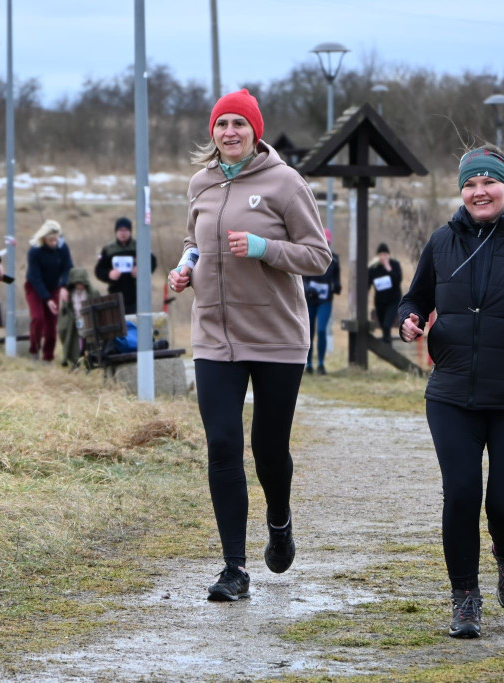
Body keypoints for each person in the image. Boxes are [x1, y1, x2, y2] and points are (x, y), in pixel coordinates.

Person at [398, 145, 504, 639]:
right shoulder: (441, 242)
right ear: (462, 192)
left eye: (488, 183)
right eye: (469, 185)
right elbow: (415, 297)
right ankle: (465, 599)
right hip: (451, 395)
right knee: (462, 495)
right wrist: (408, 319)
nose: (479, 192)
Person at [167, 89, 331, 602]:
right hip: (214, 334)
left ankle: (279, 521)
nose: (230, 132)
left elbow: (318, 256)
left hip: (276, 335)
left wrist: (265, 249)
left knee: (267, 448)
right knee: (222, 445)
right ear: (212, 133)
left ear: (254, 131)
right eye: (222, 124)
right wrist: (185, 266)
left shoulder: (285, 183)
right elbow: (195, 241)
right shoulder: (201, 184)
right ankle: (234, 568)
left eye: (240, 124)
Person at [25, 220, 73, 363]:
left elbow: (67, 268)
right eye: (51, 240)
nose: (54, 242)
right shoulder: (35, 251)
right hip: (35, 288)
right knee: (38, 318)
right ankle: (34, 349)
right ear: (44, 238)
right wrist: (47, 299)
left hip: (54, 288)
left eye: (56, 239)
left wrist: (64, 286)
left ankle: (48, 357)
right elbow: (35, 276)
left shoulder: (63, 248)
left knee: (52, 326)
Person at [94, 217, 158, 315]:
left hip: (136, 294)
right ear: (116, 232)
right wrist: (109, 274)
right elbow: (99, 270)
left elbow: (152, 262)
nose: (123, 233)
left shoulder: (140, 246)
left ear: (130, 231)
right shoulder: (108, 249)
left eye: (125, 230)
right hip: (115, 293)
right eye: (120, 230)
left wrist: (141, 271)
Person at [302, 229, 341, 374]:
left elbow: (336, 279)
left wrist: (337, 287)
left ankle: (321, 363)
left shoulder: (334, 259)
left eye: (328, 242)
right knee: (309, 332)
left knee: (322, 330)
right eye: (323, 241)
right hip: (310, 300)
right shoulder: (309, 255)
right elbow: (301, 277)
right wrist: (308, 289)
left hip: (325, 301)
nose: (326, 244)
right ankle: (309, 364)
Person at [57, 267, 102, 367]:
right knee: (73, 343)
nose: (80, 285)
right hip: (74, 323)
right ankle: (74, 362)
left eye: (82, 283)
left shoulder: (92, 293)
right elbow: (64, 312)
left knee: (89, 345)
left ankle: (90, 361)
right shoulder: (69, 294)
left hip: (88, 323)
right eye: (77, 283)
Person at [367, 243, 403, 343]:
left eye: (385, 255)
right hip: (380, 302)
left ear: (388, 255)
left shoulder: (394, 265)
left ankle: (387, 344)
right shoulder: (373, 268)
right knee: (383, 326)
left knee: (387, 324)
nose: (383, 257)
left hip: (393, 301)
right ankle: (387, 344)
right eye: (381, 255)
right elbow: (367, 283)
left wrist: (388, 268)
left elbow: (398, 279)